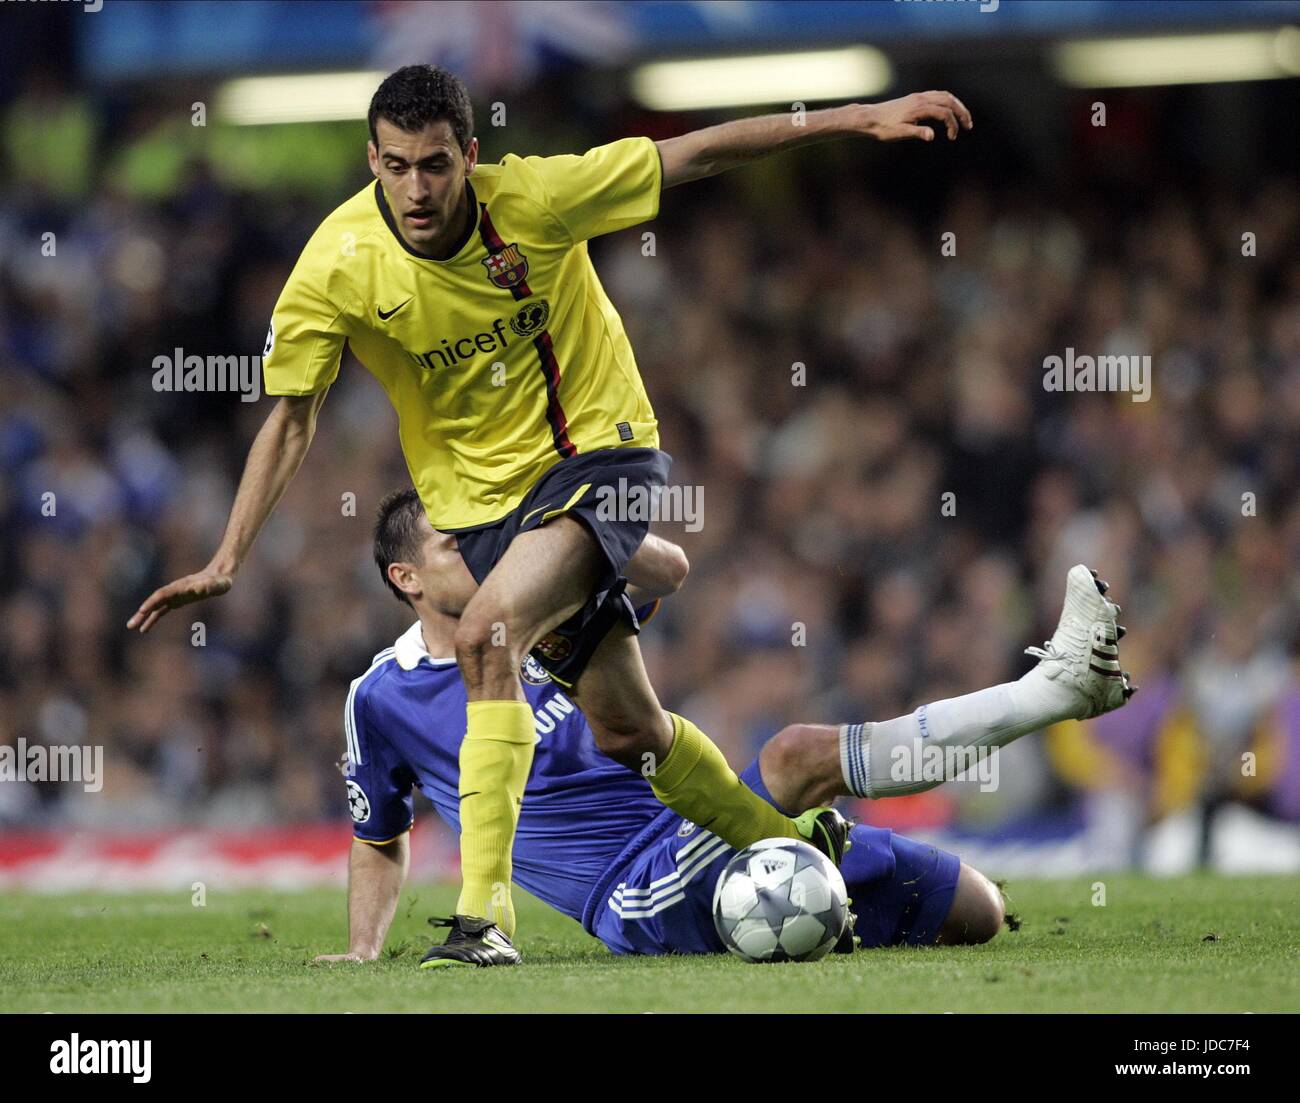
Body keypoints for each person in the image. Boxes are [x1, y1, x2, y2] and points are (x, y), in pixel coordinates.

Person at [128, 63, 982, 964]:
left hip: (599, 456)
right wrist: (228, 556)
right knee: (631, 731)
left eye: (435, 165)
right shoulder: (335, 265)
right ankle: (793, 844)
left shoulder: (536, 198)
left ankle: (483, 920)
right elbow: (294, 413)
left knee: (487, 635)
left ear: (471, 155)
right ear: (371, 159)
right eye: (396, 166)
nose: (417, 188)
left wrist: (856, 117)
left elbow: (693, 154)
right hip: (492, 515)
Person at [314, 490, 1133, 964]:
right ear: (406, 576)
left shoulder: (548, 603)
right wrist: (361, 950)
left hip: (708, 827)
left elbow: (665, 568)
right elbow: (377, 832)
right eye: (459, 542)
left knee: (978, 911)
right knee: (795, 754)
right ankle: (1058, 686)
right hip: (637, 891)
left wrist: (565, 524)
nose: (483, 550)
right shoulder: (381, 698)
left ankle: (808, 925)